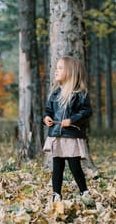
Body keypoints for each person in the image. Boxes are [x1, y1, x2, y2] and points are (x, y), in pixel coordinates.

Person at [43, 56, 93, 203]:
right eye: (56, 68)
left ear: (70, 72)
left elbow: (86, 111)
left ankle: (84, 192)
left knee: (74, 166)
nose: (56, 71)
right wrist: (46, 118)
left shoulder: (79, 94)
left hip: (71, 135)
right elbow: (48, 111)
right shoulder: (55, 94)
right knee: (57, 166)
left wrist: (72, 120)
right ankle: (56, 194)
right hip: (57, 135)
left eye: (60, 68)